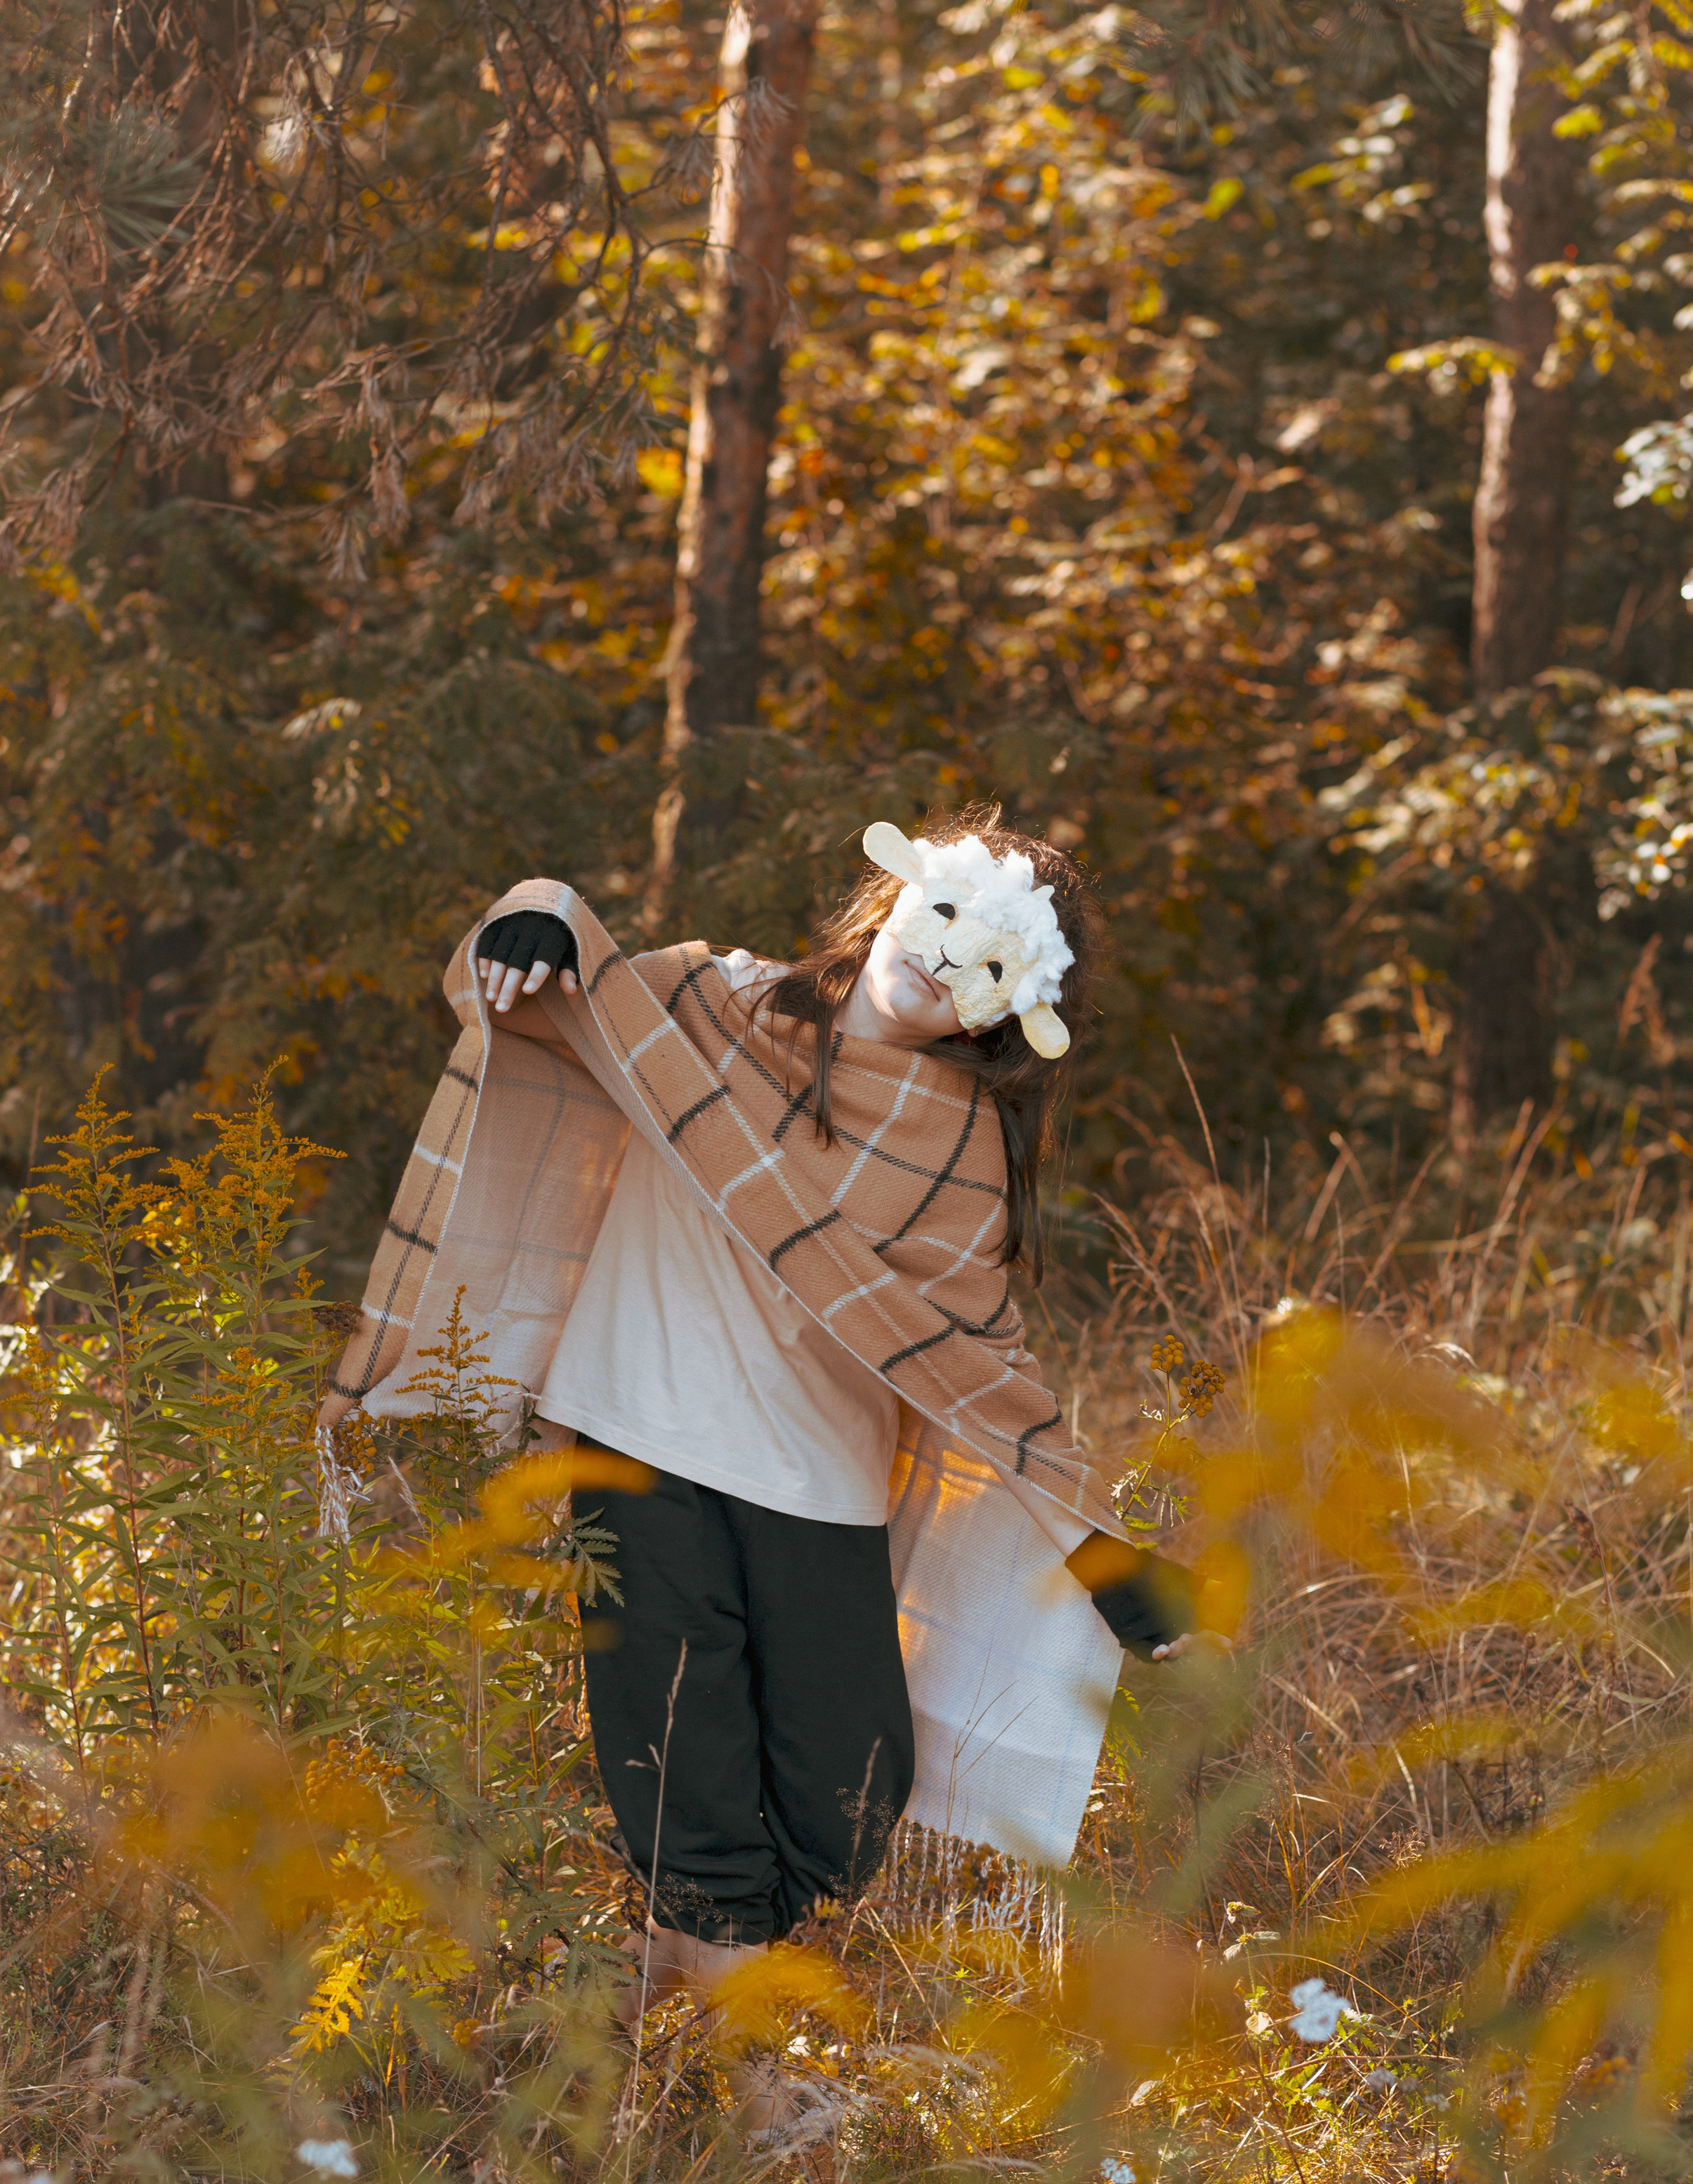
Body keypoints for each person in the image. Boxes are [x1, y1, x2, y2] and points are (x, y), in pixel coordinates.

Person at [320, 810, 1198, 2046]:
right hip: (635, 1434)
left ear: (1011, 1015)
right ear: (894, 897)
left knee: (853, 1787)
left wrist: (1101, 1551)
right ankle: (751, 2069)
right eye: (943, 919)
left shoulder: (955, 1145)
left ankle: (662, 1975)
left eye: (989, 965)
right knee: (680, 1738)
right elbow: (550, 975)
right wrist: (525, 919)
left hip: (814, 1476)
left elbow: (981, 1363)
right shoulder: (713, 1007)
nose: (945, 963)